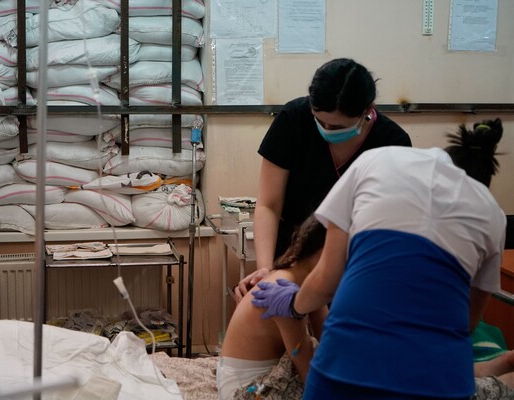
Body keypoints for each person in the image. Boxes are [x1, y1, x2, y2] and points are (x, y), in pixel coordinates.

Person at [251, 118, 506, 399]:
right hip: (441, 377)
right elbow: (467, 322)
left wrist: (292, 305)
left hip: (348, 368)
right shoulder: (491, 214)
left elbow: (326, 281)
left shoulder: (375, 163)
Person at [236, 58, 412, 301]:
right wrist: (265, 269)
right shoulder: (293, 119)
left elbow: (384, 224)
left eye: (337, 127)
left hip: (353, 262)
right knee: (281, 304)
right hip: (290, 255)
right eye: (319, 120)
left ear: (367, 110)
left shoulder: (392, 143)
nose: (327, 130)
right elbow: (269, 204)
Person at [217, 216, 328, 400]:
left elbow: (328, 340)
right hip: (246, 390)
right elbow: (307, 370)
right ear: (323, 254)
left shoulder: (302, 279)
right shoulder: (282, 293)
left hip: (239, 377)